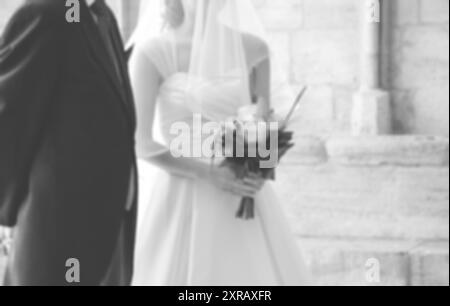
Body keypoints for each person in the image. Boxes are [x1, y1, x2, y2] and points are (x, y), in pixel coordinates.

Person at [129, 0, 310, 286]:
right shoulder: (152, 53)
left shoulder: (255, 50)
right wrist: (209, 173)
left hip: (241, 190)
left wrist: (259, 169)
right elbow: (141, 143)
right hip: (182, 191)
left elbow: (265, 126)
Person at [0, 0, 137, 286]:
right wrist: (6, 216)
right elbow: (9, 115)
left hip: (110, 226)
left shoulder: (102, 16)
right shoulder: (47, 14)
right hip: (58, 232)